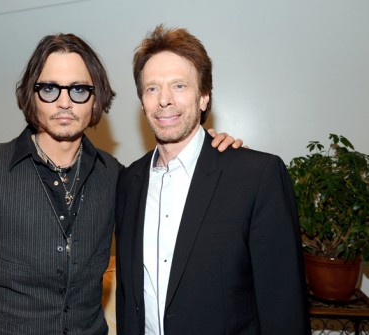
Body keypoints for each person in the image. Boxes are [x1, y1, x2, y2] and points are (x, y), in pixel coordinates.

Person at [0, 33, 241, 335]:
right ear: (32, 96)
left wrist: (206, 148)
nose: (64, 102)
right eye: (49, 89)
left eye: (78, 90)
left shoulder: (120, 178)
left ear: (95, 99)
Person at [115, 25, 311, 335]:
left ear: (204, 96)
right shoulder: (128, 182)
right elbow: (128, 298)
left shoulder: (256, 176)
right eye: (152, 88)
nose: (164, 100)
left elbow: (283, 307)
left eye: (179, 86)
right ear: (142, 102)